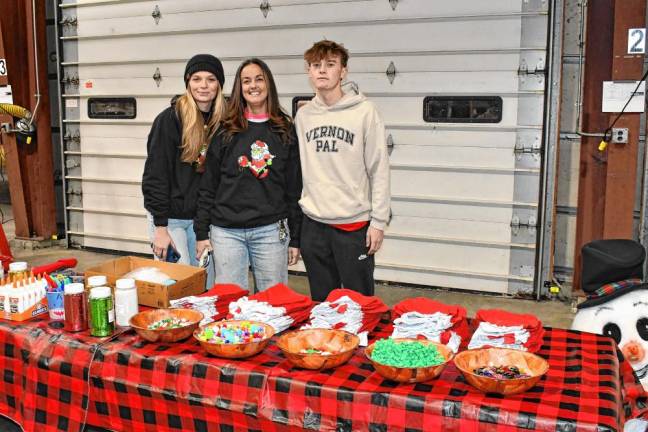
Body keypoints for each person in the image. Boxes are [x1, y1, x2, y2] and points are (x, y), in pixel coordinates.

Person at [194, 58, 302, 292]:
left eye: (259, 79)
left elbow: (294, 187)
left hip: (271, 231)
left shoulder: (284, 129)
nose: (253, 85)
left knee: (274, 303)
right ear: (239, 88)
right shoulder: (225, 130)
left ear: (268, 84)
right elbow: (208, 185)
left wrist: (296, 238)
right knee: (231, 303)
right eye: (246, 81)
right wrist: (202, 232)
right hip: (226, 233)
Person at [295, 40, 391, 302]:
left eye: (330, 64)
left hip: (353, 224)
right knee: (322, 304)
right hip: (314, 224)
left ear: (343, 71)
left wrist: (379, 222)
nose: (322, 71)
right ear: (309, 72)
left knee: (360, 305)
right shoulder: (304, 116)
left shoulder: (364, 112)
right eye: (316, 65)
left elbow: (379, 169)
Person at [142, 54, 226, 288]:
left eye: (211, 79)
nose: (203, 85)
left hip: (203, 219)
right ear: (188, 82)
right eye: (197, 78)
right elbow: (155, 175)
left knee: (206, 283)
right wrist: (160, 228)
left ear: (219, 84)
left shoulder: (223, 122)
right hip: (170, 219)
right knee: (178, 286)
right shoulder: (169, 120)